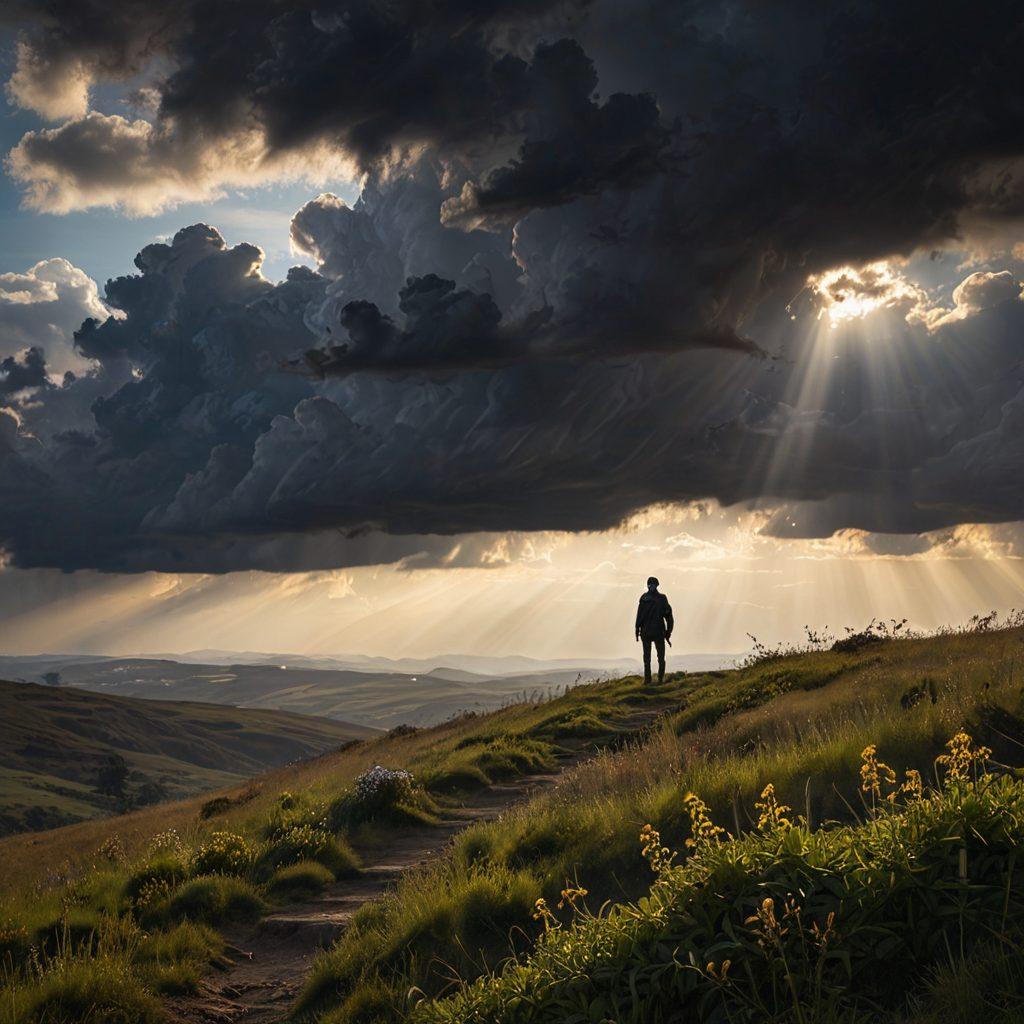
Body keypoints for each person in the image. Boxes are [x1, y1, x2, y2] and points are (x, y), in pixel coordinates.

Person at [635, 576, 673, 684]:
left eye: (653, 584)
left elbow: (668, 616)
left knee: (658, 658)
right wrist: (668, 632)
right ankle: (650, 680)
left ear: (656, 585)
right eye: (650, 584)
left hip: (653, 632)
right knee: (649, 658)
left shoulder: (656, 599)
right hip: (652, 632)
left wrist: (668, 631)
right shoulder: (658, 599)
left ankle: (658, 680)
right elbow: (668, 616)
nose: (652, 586)